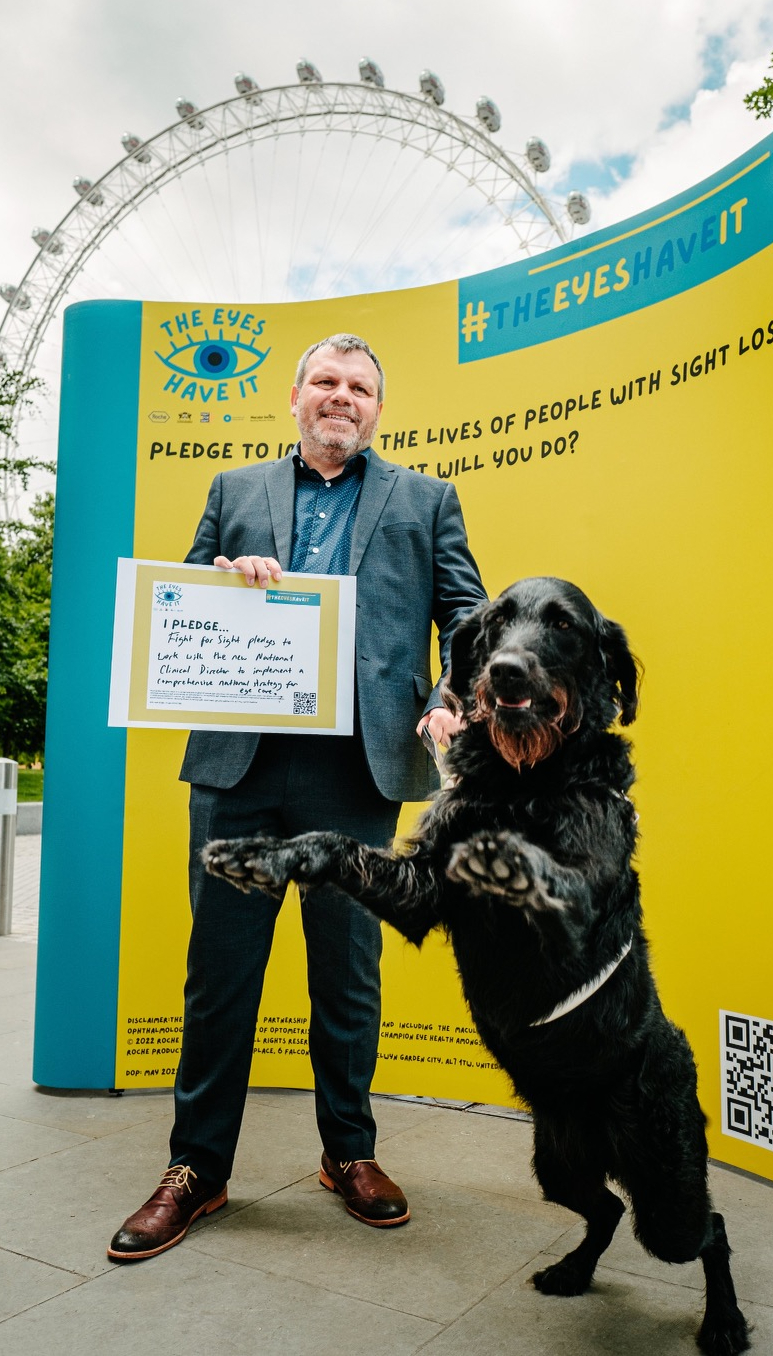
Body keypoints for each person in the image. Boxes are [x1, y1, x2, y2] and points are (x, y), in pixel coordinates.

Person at [108, 333, 486, 1260]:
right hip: (239, 767)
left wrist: (448, 699)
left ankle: (348, 1154)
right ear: (294, 396)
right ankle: (196, 1170)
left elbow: (468, 618)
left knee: (347, 975)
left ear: (377, 409)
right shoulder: (235, 492)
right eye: (327, 380)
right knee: (220, 976)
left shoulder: (427, 499)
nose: (342, 396)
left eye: (361, 386)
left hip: (358, 774)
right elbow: (179, 595)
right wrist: (221, 582)